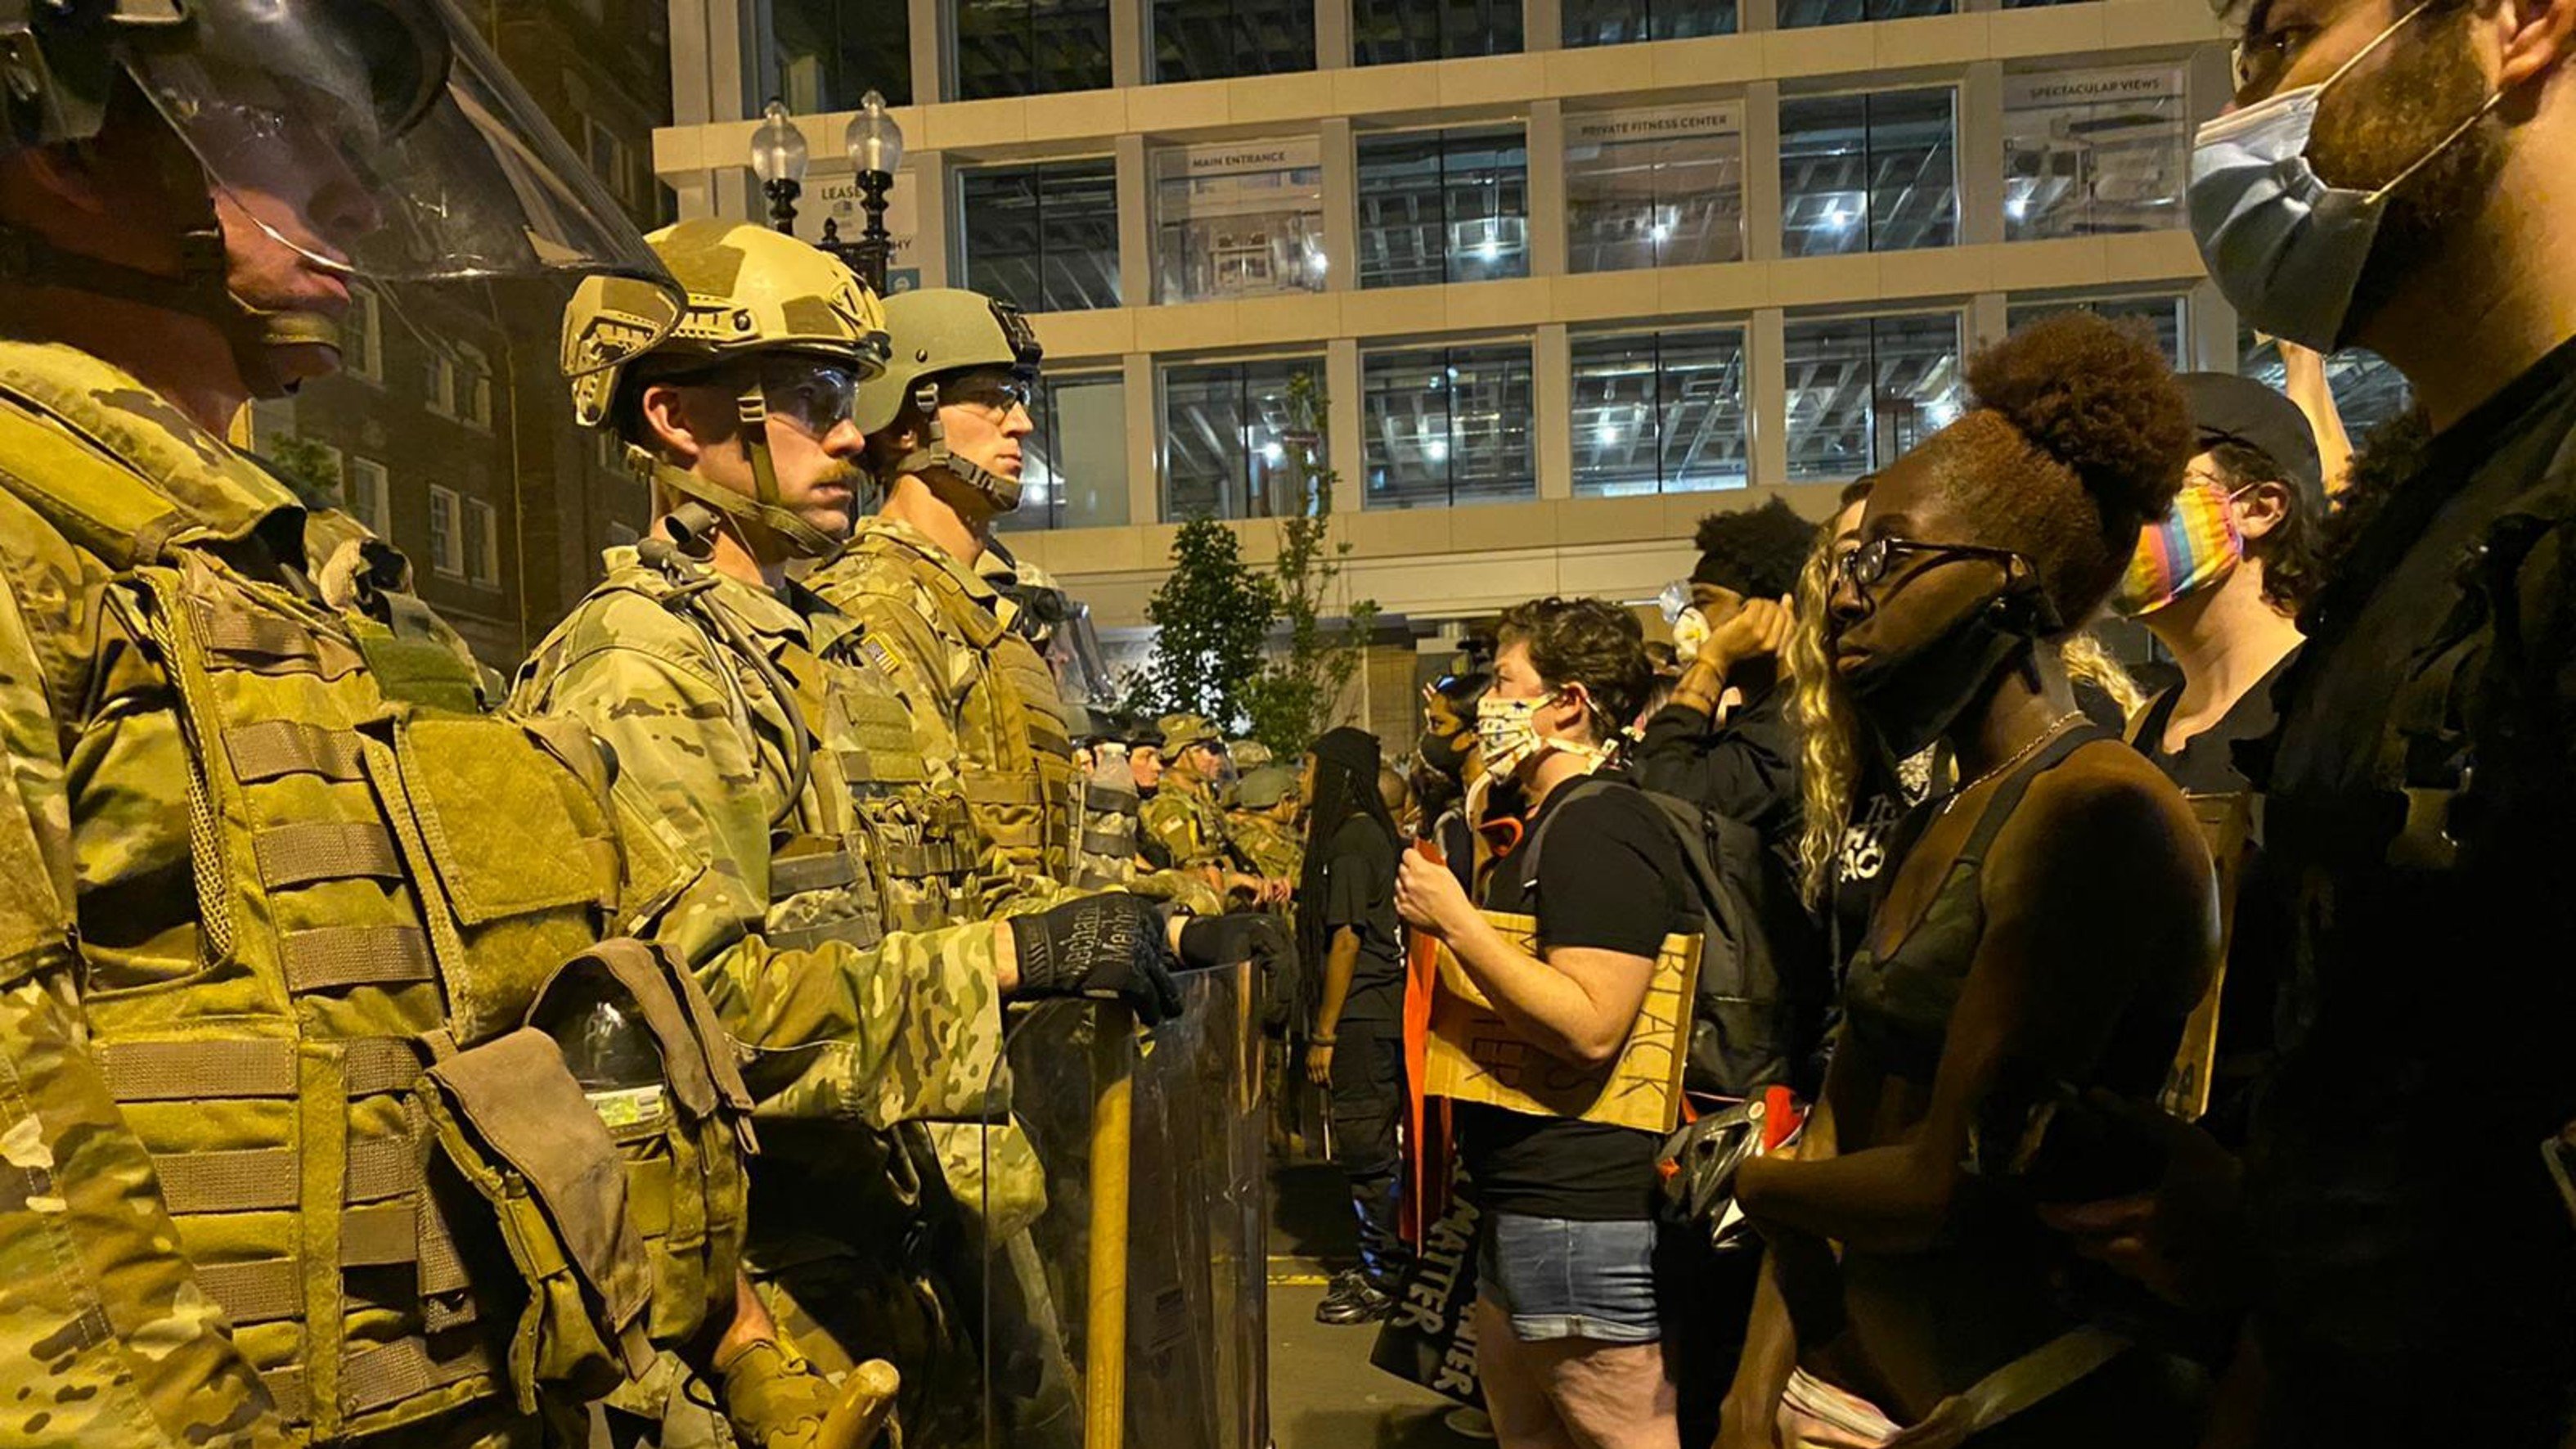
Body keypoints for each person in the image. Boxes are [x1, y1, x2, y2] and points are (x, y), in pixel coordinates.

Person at [0, 7, 876, 1445]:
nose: (356, 194)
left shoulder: (329, 593)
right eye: (290, 124)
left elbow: (566, 1005)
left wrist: (729, 1342)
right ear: (70, 141)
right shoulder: (41, 551)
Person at [525, 222, 1236, 1447]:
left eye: (847, 393)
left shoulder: (810, 648)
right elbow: (702, 1011)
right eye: (809, 397)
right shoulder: (638, 667)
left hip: (915, 1226)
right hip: (771, 1285)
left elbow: (915, 901)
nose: (853, 431)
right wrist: (1018, 960)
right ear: (678, 420)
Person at [2052, 1, 2576, 1439]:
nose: (2240, 114)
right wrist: (2266, 1224)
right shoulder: (2423, 520)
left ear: (2514, 25)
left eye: (2284, 33)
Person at [1721, 312, 2219, 1448]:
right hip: (1882, 1394)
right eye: (1839, 563)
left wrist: (1752, 1187)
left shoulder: (2093, 812)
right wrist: (1765, 1378)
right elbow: (1846, 1112)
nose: (1840, 594)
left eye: (1883, 556)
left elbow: (1956, 1180)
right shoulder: (1944, 805)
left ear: (2015, 578)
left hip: (2046, 1398)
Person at [806, 291, 1216, 916]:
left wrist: (1160, 910)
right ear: (908, 421)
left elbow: (1047, 855)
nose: (1020, 423)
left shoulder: (985, 608)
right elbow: (924, 871)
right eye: (991, 398)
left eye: (1016, 398)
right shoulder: (877, 603)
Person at [1395, 598, 1695, 1449]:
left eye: (1502, 683)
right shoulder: (1547, 825)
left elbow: (1593, 1020)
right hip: (1524, 1204)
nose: (1485, 704)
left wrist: (1456, 922)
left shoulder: (1601, 822)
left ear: (1565, 702)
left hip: (1581, 1216)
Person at [1299, 729, 1412, 1326]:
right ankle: (1380, 1262)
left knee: (1367, 1148)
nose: (1301, 780)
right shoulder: (1369, 835)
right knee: (1371, 1147)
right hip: (1373, 1012)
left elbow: (1346, 939)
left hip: (1361, 1017)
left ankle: (1383, 1277)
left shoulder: (1350, 840)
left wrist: (1324, 1034)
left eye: (1309, 767)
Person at [1636, 500, 1809, 849]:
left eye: (1704, 603)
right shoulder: (1751, 720)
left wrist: (1713, 660)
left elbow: (1663, 796)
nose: (1691, 621)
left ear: (1767, 614)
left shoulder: (1792, 730)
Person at [1141, 713, 1280, 902]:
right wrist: (1240, 880)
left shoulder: (1203, 803)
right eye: (1207, 750)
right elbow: (1198, 877)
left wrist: (1262, 880)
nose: (1217, 760)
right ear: (1178, 754)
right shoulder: (1169, 807)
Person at [1227, 765, 1308, 882]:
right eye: (1288, 799)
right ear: (1270, 803)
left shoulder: (1279, 835)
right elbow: (1300, 878)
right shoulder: (1254, 841)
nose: (1295, 805)